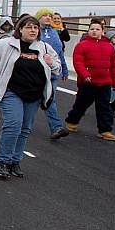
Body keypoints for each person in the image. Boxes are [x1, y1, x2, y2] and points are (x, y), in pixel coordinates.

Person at [0, 14, 62, 179]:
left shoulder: (44, 48)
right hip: (12, 92)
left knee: (24, 128)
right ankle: (3, 160)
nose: (32, 30)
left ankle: (15, 161)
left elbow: (57, 69)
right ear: (20, 29)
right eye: (28, 27)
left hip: (34, 94)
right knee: (13, 124)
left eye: (35, 27)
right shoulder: (8, 44)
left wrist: (51, 62)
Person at [64, 18, 115, 141]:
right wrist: (85, 75)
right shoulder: (82, 45)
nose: (94, 31)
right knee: (82, 104)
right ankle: (72, 121)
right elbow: (78, 62)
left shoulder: (109, 47)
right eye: (92, 29)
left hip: (105, 82)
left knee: (104, 107)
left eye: (97, 29)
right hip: (88, 82)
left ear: (102, 31)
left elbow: (114, 65)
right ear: (88, 30)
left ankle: (105, 130)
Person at [35, 8, 71, 139]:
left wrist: (64, 69)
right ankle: (21, 125)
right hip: (36, 73)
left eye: (49, 15)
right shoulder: (34, 31)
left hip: (53, 73)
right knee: (32, 100)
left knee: (50, 99)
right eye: (44, 15)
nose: (48, 18)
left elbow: (59, 53)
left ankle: (56, 127)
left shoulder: (55, 33)